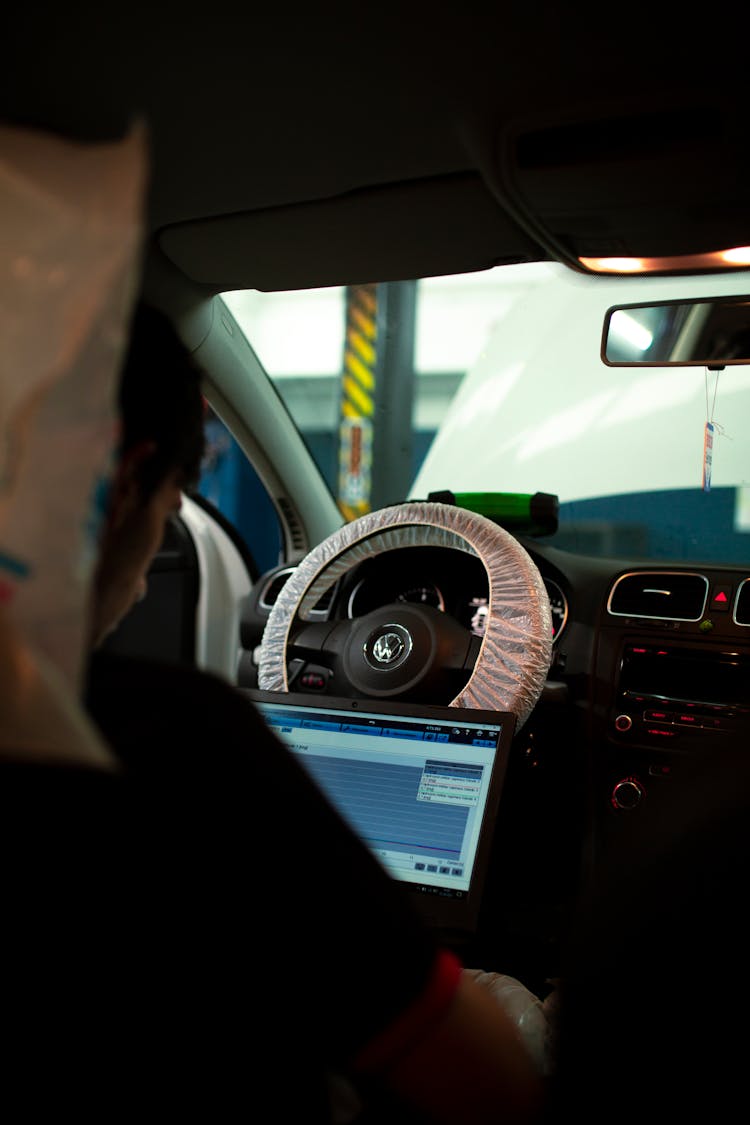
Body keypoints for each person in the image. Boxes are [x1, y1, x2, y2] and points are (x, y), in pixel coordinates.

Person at [83, 301, 544, 1125]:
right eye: (168, 509)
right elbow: (490, 1089)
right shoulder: (178, 740)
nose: (153, 565)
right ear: (124, 483)